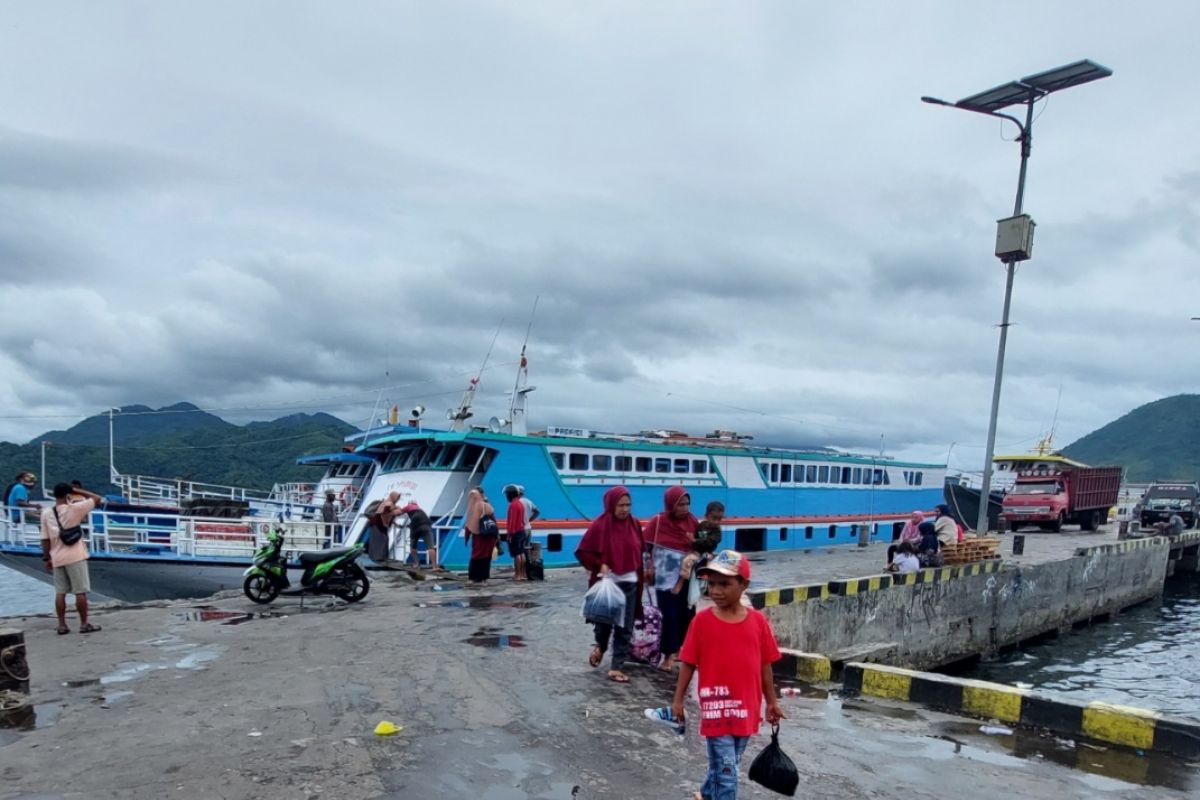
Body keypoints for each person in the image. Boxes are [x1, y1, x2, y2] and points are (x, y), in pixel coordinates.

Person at [669, 550, 784, 800]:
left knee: (728, 764)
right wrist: (678, 700)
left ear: (744, 585)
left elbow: (765, 665)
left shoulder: (758, 623)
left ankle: (706, 794)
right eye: (711, 584)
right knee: (728, 771)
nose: (716, 590)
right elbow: (688, 663)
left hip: (746, 709)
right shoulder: (701, 622)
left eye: (724, 584)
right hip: (716, 709)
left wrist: (772, 702)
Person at [575, 486, 644, 683]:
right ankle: (601, 646)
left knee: (625, 626)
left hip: (630, 583)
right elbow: (584, 551)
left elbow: (640, 551)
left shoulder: (635, 524)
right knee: (603, 623)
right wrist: (600, 563)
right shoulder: (600, 525)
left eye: (628, 505)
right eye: (620, 505)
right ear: (611, 505)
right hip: (608, 583)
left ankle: (616, 667)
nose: (625, 509)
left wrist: (646, 570)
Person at [645, 486, 699, 672]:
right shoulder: (658, 521)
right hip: (664, 577)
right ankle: (668, 654)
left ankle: (682, 650)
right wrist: (648, 567)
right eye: (680, 504)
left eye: (687, 504)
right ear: (671, 505)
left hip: (687, 576)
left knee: (687, 614)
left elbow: (701, 545)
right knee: (668, 615)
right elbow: (645, 547)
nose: (685, 508)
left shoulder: (693, 522)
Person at [40, 482, 105, 635]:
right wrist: (76, 490)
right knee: (80, 592)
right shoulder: (74, 509)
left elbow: (44, 538)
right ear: (68, 495)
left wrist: (46, 557)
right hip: (75, 556)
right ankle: (84, 623)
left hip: (57, 557)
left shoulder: (46, 513)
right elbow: (97, 498)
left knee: (60, 592)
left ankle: (62, 625)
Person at [678, 520, 722, 615]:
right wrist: (696, 542)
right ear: (708, 514)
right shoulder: (702, 526)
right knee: (689, 564)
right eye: (714, 518)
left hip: (707, 555)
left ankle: (706, 589)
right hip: (699, 554)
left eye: (719, 518)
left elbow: (711, 541)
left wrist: (695, 540)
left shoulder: (717, 529)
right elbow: (701, 542)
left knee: (705, 573)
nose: (716, 521)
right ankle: (682, 582)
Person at [464, 487, 498, 583]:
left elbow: (469, 523)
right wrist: (497, 536)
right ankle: (483, 578)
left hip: (480, 536)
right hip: (489, 536)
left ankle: (473, 578)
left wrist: (466, 537)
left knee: (476, 557)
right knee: (486, 557)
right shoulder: (487, 504)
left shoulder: (474, 505)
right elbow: (494, 521)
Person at [399, 501, 437, 568]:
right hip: (426, 525)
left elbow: (397, 512)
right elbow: (420, 520)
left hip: (416, 526)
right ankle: (435, 567)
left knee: (413, 546)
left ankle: (417, 564)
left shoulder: (409, 506)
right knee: (431, 547)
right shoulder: (421, 510)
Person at [504, 485, 529, 581]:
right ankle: (522, 574)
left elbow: (512, 521)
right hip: (522, 531)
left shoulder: (513, 505)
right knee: (522, 553)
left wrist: (509, 534)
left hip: (516, 532)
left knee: (516, 554)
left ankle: (518, 575)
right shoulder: (520, 503)